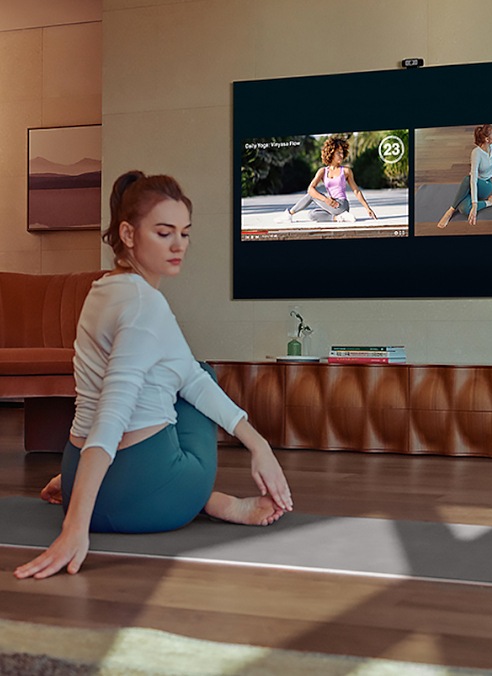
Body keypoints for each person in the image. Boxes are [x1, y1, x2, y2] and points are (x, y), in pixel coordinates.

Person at [15, 171, 293, 580]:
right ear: (128, 234)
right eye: (164, 233)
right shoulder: (146, 306)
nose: (178, 244)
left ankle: (98, 491)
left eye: (184, 232)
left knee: (183, 371)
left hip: (81, 480)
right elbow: (114, 413)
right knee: (199, 373)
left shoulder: (102, 289)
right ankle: (213, 502)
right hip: (149, 500)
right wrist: (73, 530)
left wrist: (259, 445)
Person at [283, 135, 377, 223]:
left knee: (311, 195)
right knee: (312, 214)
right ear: (331, 153)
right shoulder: (323, 171)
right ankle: (339, 218)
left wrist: (367, 208)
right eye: (338, 153)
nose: (341, 155)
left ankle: (288, 214)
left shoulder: (346, 171)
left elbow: (356, 191)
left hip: (341, 204)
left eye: (342, 153)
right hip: (331, 204)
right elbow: (310, 188)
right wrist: (326, 200)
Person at [436, 124, 492, 228]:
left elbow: (480, 175)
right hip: (474, 185)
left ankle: (450, 211)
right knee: (464, 209)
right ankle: (490, 202)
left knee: (467, 179)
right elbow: (473, 179)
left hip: (486, 185)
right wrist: (474, 205)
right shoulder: (476, 153)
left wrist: (475, 204)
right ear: (487, 139)